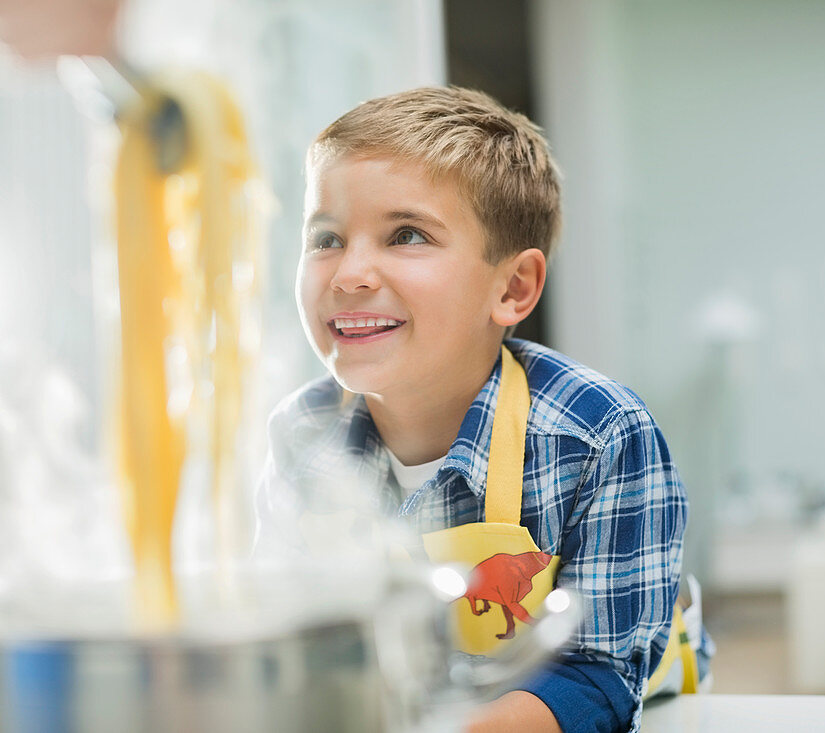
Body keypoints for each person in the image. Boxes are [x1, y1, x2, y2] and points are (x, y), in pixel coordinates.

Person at [256, 86, 702, 733]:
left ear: (512, 287)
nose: (349, 273)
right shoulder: (302, 435)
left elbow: (596, 678)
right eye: (327, 237)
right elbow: (286, 641)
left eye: (405, 235)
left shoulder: (596, 431)